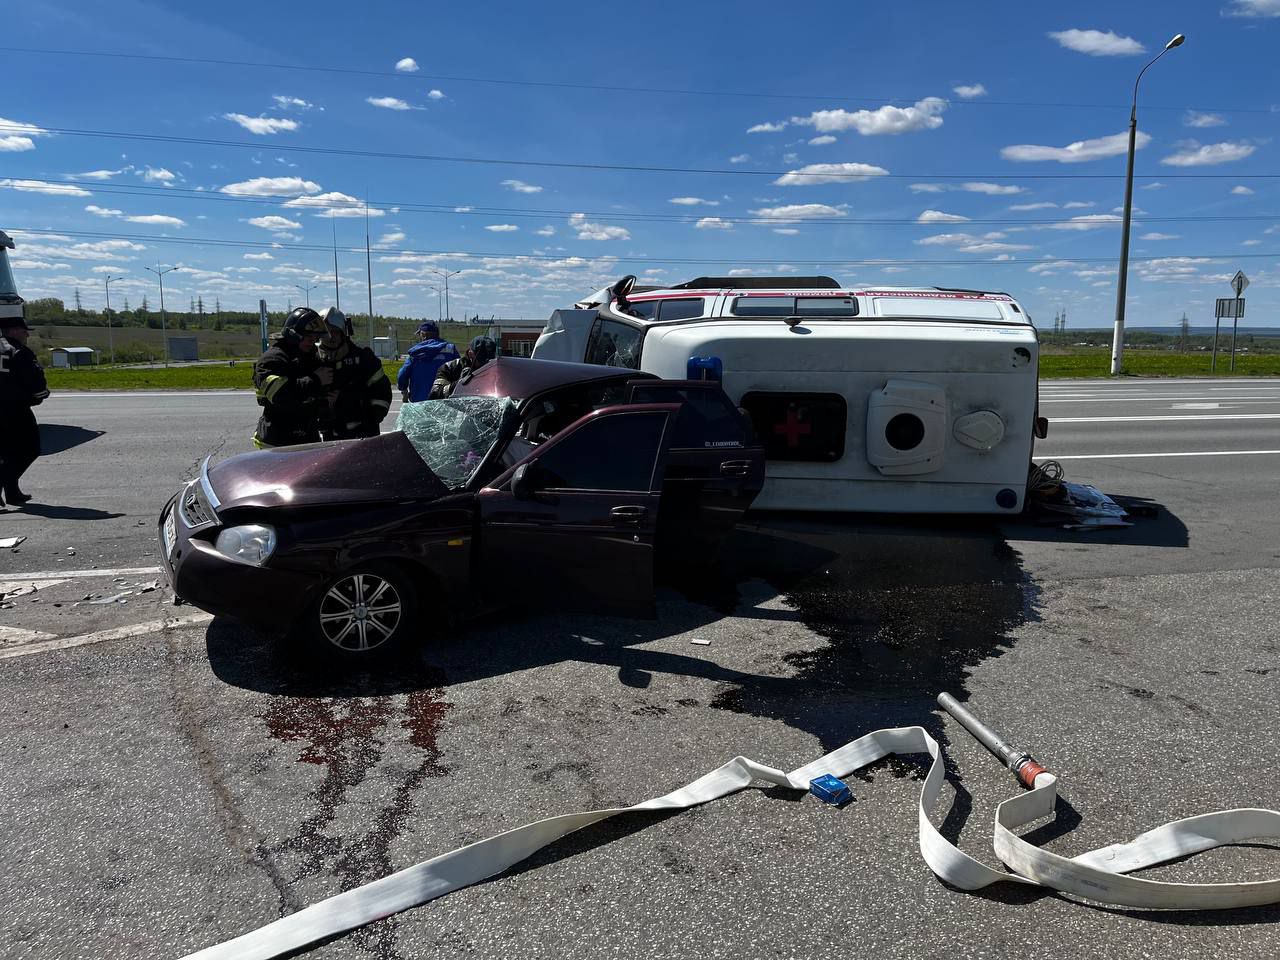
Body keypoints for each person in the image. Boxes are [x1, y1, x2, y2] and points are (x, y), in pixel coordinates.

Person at [251, 307, 333, 448]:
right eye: (309, 337)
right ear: (293, 334)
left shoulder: (309, 357)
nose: (312, 342)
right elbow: (280, 395)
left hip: (307, 440)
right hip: (276, 443)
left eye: (315, 338)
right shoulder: (273, 359)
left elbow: (314, 396)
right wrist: (316, 380)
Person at [315, 307, 393, 441]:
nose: (330, 337)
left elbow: (382, 391)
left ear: (343, 332)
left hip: (363, 434)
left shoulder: (363, 358)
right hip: (330, 433)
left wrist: (371, 419)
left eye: (335, 332)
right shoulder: (314, 359)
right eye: (326, 333)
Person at [0, 315, 50, 507]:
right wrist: (40, 395)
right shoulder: (19, 351)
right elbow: (36, 383)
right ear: (13, 331)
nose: (26, 335)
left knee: (5, 452)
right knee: (29, 449)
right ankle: (6, 484)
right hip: (14, 410)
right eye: (24, 331)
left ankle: (12, 492)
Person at [396, 321, 459, 402]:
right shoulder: (450, 349)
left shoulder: (415, 352)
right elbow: (460, 371)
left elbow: (402, 375)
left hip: (419, 401)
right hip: (444, 401)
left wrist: (404, 391)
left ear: (423, 335)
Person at [430, 336, 497, 400]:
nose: (485, 365)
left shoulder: (495, 369)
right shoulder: (449, 367)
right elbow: (435, 394)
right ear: (470, 353)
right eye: (481, 360)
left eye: (489, 361)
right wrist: (459, 383)